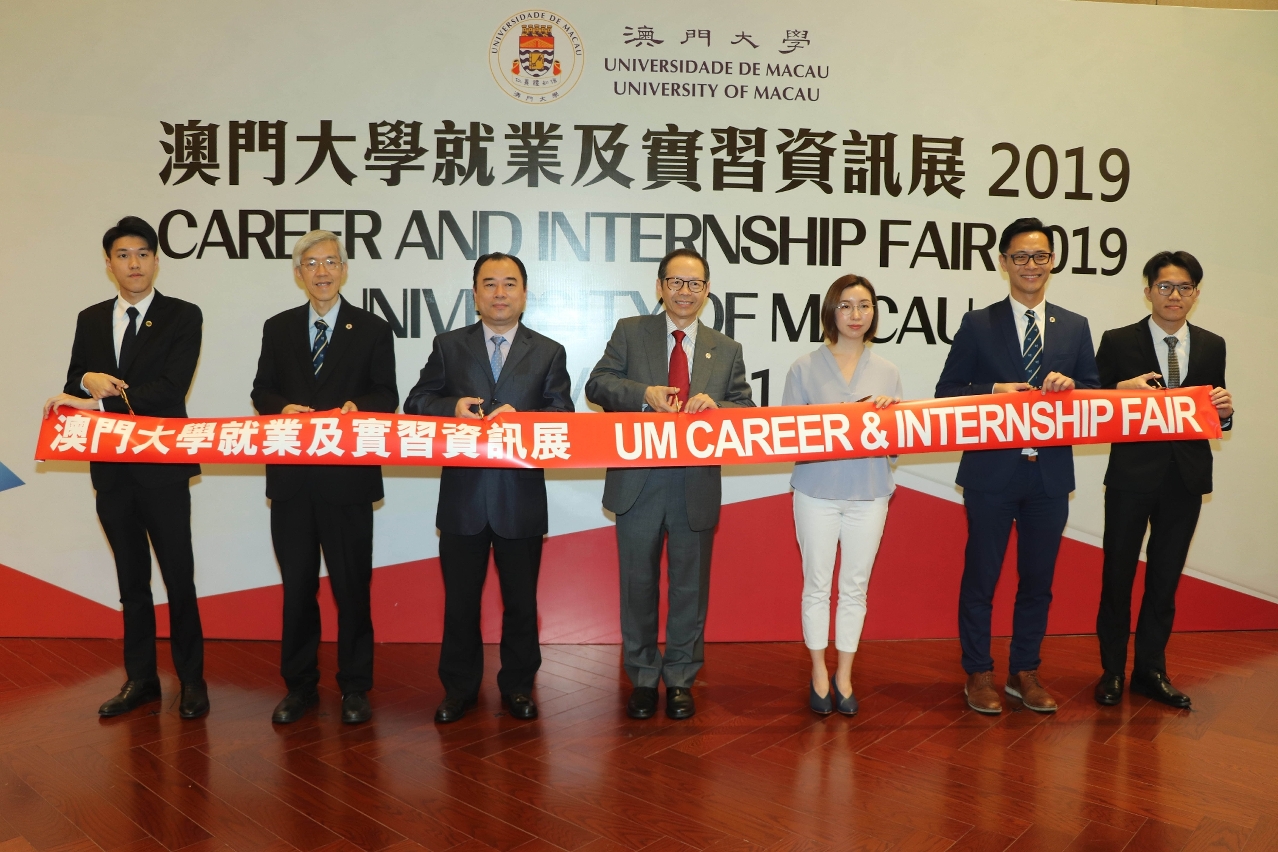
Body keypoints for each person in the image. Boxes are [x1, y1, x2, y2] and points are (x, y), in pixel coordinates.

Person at [42, 216, 208, 719]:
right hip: (111, 470)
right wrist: (86, 379)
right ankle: (141, 680)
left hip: (162, 467)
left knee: (179, 579)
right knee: (131, 581)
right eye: (122, 255)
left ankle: (192, 682)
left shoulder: (183, 315)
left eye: (142, 253)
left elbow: (170, 390)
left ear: (156, 260)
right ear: (109, 264)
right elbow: (74, 380)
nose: (133, 263)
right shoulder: (91, 318)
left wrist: (99, 402)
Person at [935, 217, 1100, 715]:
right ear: (1003, 262)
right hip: (991, 475)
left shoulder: (1075, 325)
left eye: (1041, 256)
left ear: (1053, 262)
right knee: (981, 577)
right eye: (1021, 257)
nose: (1032, 265)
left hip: (1050, 476)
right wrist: (992, 391)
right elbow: (947, 393)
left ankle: (1024, 671)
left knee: (1038, 581)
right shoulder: (978, 323)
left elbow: (1095, 395)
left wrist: (1073, 388)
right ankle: (978, 671)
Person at [403, 252, 573, 724]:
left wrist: (526, 420)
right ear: (475, 294)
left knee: (521, 604)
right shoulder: (448, 345)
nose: (500, 293)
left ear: (524, 294)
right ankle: (459, 690)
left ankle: (518, 687)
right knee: (460, 604)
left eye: (510, 284)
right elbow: (416, 401)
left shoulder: (548, 351)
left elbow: (563, 417)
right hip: (463, 499)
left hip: (520, 499)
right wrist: (452, 407)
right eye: (490, 284)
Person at [586, 248, 754, 721]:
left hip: (693, 486)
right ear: (659, 287)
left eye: (695, 283)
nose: (685, 292)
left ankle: (680, 678)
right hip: (637, 484)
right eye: (676, 282)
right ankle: (642, 678)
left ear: (707, 291)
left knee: (689, 589)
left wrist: (719, 409)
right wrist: (643, 394)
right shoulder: (631, 331)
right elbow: (598, 384)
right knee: (637, 586)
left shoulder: (726, 348)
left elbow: (745, 408)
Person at [251, 230, 397, 725]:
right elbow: (261, 390)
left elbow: (387, 394)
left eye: (331, 262)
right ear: (298, 274)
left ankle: (355, 686)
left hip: (347, 481)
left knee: (351, 589)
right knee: (297, 589)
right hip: (291, 481)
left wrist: (360, 407)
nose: (322, 271)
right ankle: (299, 686)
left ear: (344, 269)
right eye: (311, 263)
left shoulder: (372, 329)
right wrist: (281, 408)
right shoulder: (278, 328)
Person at [1092, 251, 1233, 709]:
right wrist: (1120, 390)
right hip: (1131, 477)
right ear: (1148, 290)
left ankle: (1151, 671)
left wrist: (1225, 413)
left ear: (1196, 293)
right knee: (1117, 575)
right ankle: (1112, 671)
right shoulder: (1118, 341)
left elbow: (1212, 411)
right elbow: (1090, 403)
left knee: (1165, 579)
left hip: (1185, 479)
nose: (1175, 295)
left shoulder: (1212, 345)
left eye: (1185, 287)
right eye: (1165, 286)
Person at [782, 275, 902, 716]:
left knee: (854, 587)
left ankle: (844, 674)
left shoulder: (888, 371)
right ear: (830, 311)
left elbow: (895, 447)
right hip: (816, 492)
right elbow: (789, 437)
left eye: (864, 305)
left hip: (870, 494)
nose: (856, 314)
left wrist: (889, 418)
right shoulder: (803, 367)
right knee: (816, 584)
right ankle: (818, 671)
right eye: (846, 305)